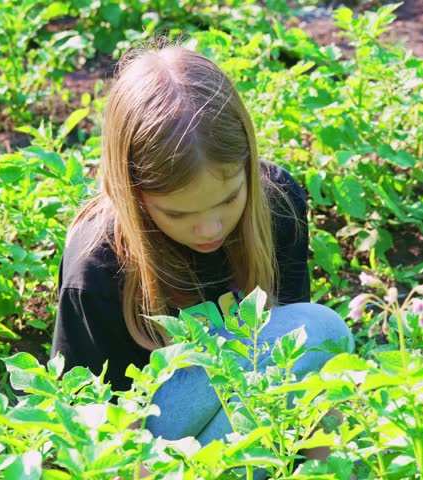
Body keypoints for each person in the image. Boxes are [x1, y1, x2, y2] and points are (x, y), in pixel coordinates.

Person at [51, 39, 354, 449]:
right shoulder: (99, 263)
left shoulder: (275, 202)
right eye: (178, 214)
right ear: (134, 194)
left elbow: (303, 363)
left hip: (242, 414)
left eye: (229, 199)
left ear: (247, 164)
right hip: (146, 441)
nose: (210, 228)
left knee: (321, 332)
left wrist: (326, 466)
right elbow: (89, 420)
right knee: (323, 327)